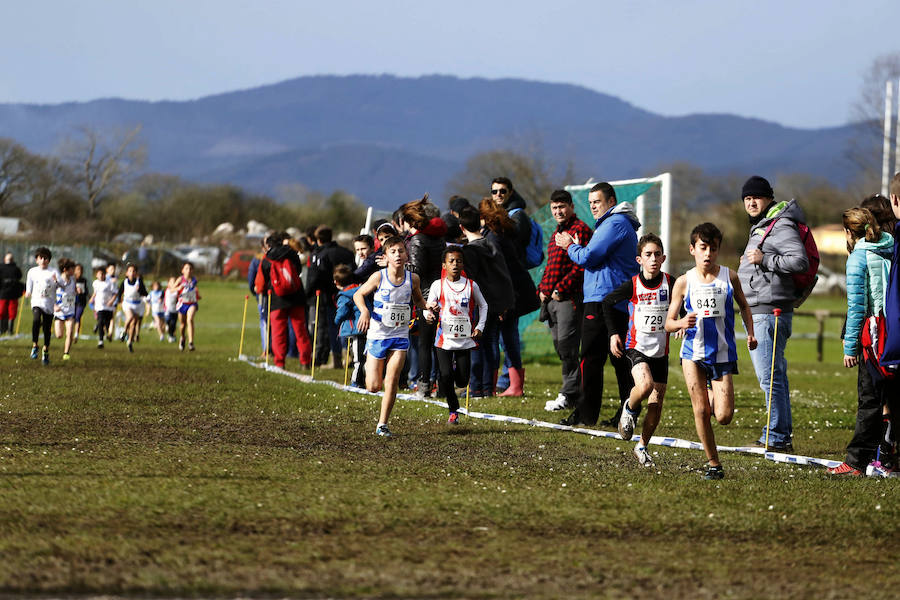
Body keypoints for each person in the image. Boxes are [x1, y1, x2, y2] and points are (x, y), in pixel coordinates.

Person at [666, 223, 757, 480]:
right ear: (692, 249)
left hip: (722, 354)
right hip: (692, 354)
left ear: (718, 250)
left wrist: (750, 332)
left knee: (724, 416)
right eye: (703, 248)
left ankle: (709, 390)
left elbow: (745, 307)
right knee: (701, 411)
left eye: (713, 249)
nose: (708, 254)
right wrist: (682, 323)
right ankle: (714, 463)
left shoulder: (731, 277)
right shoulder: (684, 282)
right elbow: (668, 322)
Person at [555, 182, 640, 427]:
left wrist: (569, 245)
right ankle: (626, 414)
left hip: (603, 300)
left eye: (597, 201)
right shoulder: (614, 223)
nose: (593, 206)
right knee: (620, 361)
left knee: (591, 359)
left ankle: (585, 415)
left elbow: (588, 257)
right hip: (614, 300)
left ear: (611, 202)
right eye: (590, 202)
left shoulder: (614, 223)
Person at [737, 175, 809, 452]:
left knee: (770, 377)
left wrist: (764, 259)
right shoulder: (764, 225)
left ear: (769, 198)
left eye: (756, 197)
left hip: (770, 312)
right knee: (774, 376)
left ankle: (777, 437)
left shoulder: (780, 225)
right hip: (764, 310)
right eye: (747, 198)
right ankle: (779, 435)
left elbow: (799, 261)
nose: (751, 202)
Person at [827, 208, 896, 476]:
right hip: (895, 331)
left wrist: (850, 347)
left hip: (875, 334)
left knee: (869, 399)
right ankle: (891, 457)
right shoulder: (891, 246)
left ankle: (856, 462)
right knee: (893, 396)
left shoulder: (858, 258)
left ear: (848, 233)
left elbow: (857, 308)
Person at [603, 234, 676, 467]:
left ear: (663, 258)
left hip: (661, 352)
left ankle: (642, 446)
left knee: (656, 403)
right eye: (648, 255)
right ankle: (629, 407)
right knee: (644, 387)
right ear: (639, 259)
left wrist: (682, 322)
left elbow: (684, 305)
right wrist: (614, 333)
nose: (653, 259)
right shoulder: (633, 284)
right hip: (637, 348)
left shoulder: (671, 283)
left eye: (657, 254)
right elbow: (607, 303)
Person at [354, 236, 431, 437]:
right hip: (378, 335)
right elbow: (358, 295)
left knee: (393, 378)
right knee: (373, 386)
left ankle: (382, 424)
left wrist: (428, 307)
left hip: (400, 336)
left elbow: (419, 301)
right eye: (393, 252)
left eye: (401, 251)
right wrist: (364, 311)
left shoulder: (412, 279)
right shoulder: (378, 277)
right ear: (386, 257)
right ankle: (368, 363)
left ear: (407, 255)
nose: (398, 255)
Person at [479, 197, 539, 397]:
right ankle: (513, 384)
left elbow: (501, 271)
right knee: (508, 337)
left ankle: (507, 384)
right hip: (517, 292)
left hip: (509, 295)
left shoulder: (493, 237)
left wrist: (504, 301)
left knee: (503, 339)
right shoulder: (505, 233)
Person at [538, 190, 593, 411]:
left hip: (569, 299)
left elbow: (581, 266)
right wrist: (542, 289)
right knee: (561, 347)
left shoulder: (581, 230)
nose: (558, 211)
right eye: (554, 208)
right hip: (551, 301)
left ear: (571, 206)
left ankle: (569, 394)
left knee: (568, 346)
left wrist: (561, 289)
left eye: (562, 206)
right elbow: (551, 267)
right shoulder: (555, 234)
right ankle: (575, 391)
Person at [426, 247, 488, 423]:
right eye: (451, 261)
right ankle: (453, 411)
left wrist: (480, 326)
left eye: (458, 261)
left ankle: (454, 371)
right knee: (445, 377)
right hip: (444, 340)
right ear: (444, 265)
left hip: (464, 340)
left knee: (462, 381)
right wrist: (429, 315)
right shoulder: (438, 285)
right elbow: (428, 306)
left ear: (463, 264)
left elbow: (484, 306)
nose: (455, 264)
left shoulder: (471, 285)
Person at [458, 205, 514, 397]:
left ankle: (476, 388)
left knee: (475, 344)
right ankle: (488, 387)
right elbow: (503, 276)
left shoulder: (469, 252)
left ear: (461, 228)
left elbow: (471, 283)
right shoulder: (492, 244)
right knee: (491, 344)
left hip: (478, 306)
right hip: (496, 303)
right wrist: (504, 304)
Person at [398, 195, 447, 398]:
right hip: (442, 292)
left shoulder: (418, 239)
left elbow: (417, 268)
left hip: (426, 296)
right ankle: (442, 386)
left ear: (409, 221)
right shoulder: (438, 236)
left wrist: (397, 264)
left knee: (425, 344)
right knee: (442, 344)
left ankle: (424, 386)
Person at [254, 233, 312, 369]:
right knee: (301, 331)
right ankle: (305, 361)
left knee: (278, 332)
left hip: (277, 299)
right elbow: (297, 272)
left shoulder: (267, 259)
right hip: (296, 296)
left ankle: (280, 363)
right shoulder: (292, 254)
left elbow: (261, 283)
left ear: (268, 245)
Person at [307, 226, 355, 368]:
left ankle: (336, 359)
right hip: (350, 293)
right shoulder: (346, 252)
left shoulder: (321, 255)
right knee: (348, 324)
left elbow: (317, 277)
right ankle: (349, 356)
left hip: (328, 297)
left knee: (333, 327)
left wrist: (309, 292)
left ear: (318, 239)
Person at [333, 264, 366, 388]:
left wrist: (336, 321)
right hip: (365, 327)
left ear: (336, 282)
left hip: (356, 329)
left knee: (358, 358)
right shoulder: (361, 289)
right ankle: (361, 380)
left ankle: (356, 381)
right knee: (362, 357)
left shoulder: (344, 295)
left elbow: (342, 312)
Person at [25, 246, 59, 365]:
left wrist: (56, 281)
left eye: (46, 258)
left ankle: (46, 350)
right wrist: (28, 291)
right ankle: (35, 345)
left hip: (49, 304)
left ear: (49, 260)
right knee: (35, 320)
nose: (43, 260)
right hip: (36, 301)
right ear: (37, 260)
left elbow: (60, 286)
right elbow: (29, 282)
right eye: (41, 258)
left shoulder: (53, 272)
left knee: (46, 328)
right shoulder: (32, 271)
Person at [116, 263, 149, 352]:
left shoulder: (139, 282)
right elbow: (120, 292)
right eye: (130, 271)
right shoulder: (124, 282)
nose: (132, 273)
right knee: (130, 317)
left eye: (134, 271)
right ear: (127, 273)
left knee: (134, 323)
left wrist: (142, 291)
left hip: (137, 305)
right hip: (127, 303)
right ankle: (124, 331)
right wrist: (119, 300)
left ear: (136, 273)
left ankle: (130, 341)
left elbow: (145, 293)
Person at [53, 258, 77, 361]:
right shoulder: (57, 280)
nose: (74, 271)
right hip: (59, 311)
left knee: (70, 331)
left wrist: (77, 290)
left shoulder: (73, 280)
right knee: (59, 335)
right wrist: (54, 305)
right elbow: (50, 293)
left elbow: (73, 290)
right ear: (65, 269)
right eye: (72, 269)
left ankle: (66, 353)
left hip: (70, 311)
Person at [88, 266, 117, 348]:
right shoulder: (95, 283)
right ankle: (100, 340)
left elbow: (115, 293)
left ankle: (109, 334)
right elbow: (95, 292)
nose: (101, 276)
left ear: (105, 275)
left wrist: (111, 301)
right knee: (100, 321)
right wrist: (92, 299)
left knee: (107, 323)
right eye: (99, 274)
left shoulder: (110, 283)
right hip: (99, 306)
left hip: (108, 307)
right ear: (96, 275)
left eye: (102, 274)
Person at [176, 262, 199, 351]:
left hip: (192, 303)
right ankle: (182, 337)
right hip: (182, 304)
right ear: (182, 271)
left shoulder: (194, 280)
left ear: (192, 270)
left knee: (190, 320)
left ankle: (191, 343)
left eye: (190, 269)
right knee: (182, 325)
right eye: (186, 268)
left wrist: (197, 294)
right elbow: (171, 289)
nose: (188, 270)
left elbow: (195, 290)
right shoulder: (180, 279)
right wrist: (177, 288)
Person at [0, 252, 24, 335]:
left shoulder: (16, 268)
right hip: (3, 293)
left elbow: (19, 277)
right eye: (8, 258)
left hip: (13, 294)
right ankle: (2, 329)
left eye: (10, 258)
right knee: (2, 311)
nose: (9, 260)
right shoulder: (1, 267)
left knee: (12, 312)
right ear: (5, 259)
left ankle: (10, 330)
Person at [72, 263, 88, 341]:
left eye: (81, 270)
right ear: (74, 270)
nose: (79, 271)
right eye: (78, 269)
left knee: (78, 317)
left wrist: (82, 292)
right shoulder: (72, 279)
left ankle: (76, 334)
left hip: (81, 302)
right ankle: (70, 333)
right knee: (72, 318)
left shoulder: (84, 280)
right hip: (72, 302)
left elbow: (86, 292)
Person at [164, 276, 180, 343]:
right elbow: (172, 290)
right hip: (168, 310)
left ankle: (171, 336)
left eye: (175, 282)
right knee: (168, 321)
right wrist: (179, 288)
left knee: (173, 324)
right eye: (172, 282)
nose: (174, 283)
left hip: (175, 310)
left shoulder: (177, 291)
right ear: (168, 284)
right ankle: (167, 326)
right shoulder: (168, 290)